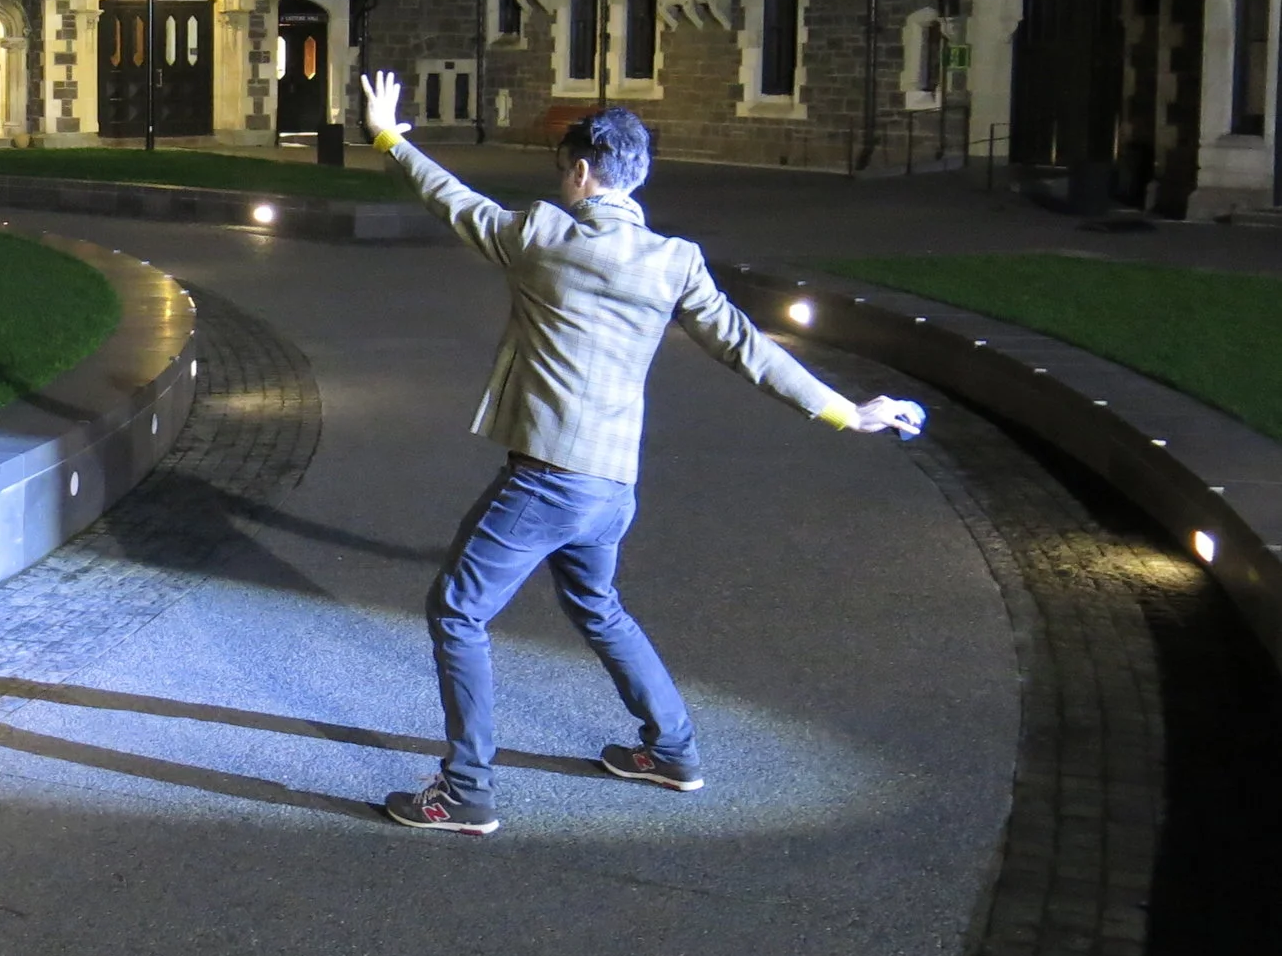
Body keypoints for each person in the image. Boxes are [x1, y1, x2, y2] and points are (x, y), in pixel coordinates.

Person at [357, 73, 923, 836]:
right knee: (597, 604)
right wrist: (845, 410)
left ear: (584, 172)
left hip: (550, 478)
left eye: (565, 169)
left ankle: (465, 791)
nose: (561, 181)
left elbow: (453, 200)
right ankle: (673, 749)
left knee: (457, 611)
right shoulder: (674, 261)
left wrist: (390, 134)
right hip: (611, 487)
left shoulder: (541, 236)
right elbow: (747, 348)